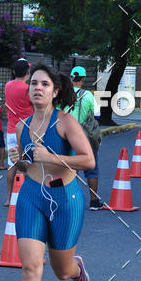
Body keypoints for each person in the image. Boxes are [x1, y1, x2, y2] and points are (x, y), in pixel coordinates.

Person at [7, 63, 95, 281]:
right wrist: (18, 161)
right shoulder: (22, 127)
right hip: (31, 196)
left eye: (44, 84)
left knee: (60, 271)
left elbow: (88, 160)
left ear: (55, 91)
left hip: (66, 198)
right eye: (33, 83)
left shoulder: (66, 122)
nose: (37, 88)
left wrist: (51, 156)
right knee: (31, 268)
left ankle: (76, 268)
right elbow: (25, 166)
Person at [62, 66, 102, 209]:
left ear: (71, 77)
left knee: (69, 169)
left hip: (67, 137)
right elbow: (97, 115)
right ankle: (93, 201)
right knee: (92, 169)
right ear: (83, 78)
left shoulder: (63, 95)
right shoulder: (88, 96)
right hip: (85, 137)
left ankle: (70, 200)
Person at [4, 58, 32, 204]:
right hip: (25, 130)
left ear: (14, 71)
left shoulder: (8, 86)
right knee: (25, 164)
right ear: (28, 72)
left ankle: (9, 198)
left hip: (10, 130)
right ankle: (22, 197)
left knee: (12, 164)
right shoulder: (27, 89)